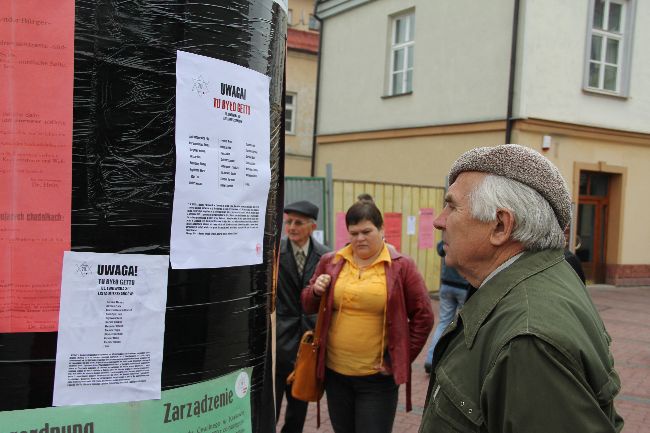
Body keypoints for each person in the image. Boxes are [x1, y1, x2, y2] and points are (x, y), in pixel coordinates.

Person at [419, 144, 623, 433]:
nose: (439, 221)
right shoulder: (543, 278)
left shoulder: (527, 341)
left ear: (501, 226)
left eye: (451, 206)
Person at [302, 197, 434, 433]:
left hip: (377, 379)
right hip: (335, 374)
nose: (359, 238)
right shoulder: (331, 261)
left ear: (381, 229)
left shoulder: (401, 267)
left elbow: (424, 317)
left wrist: (397, 360)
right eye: (354, 233)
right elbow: (307, 304)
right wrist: (315, 290)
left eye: (366, 231)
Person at [276, 200, 330, 433]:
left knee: (298, 406)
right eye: (288, 222)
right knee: (271, 405)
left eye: (298, 222)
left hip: (308, 343)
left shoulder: (326, 256)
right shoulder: (276, 252)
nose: (292, 227)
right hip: (279, 341)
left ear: (312, 226)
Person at [423, 240, 468, 374]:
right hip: (463, 288)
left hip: (446, 286)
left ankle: (430, 360)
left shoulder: (448, 239)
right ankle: (456, 364)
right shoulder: (469, 238)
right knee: (463, 326)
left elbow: (439, 249)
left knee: (443, 323)